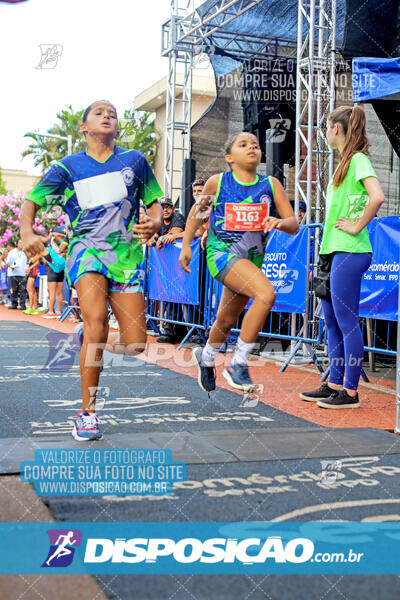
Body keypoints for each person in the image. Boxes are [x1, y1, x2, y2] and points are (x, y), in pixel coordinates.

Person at [21, 100, 162, 441]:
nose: (107, 115)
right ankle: (87, 413)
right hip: (86, 252)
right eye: (98, 112)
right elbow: (32, 202)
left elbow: (155, 202)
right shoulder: (67, 167)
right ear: (84, 127)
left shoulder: (135, 162)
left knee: (136, 345)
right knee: (95, 318)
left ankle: (89, 339)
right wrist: (27, 232)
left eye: (112, 112)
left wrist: (155, 221)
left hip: (126, 257)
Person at [179, 131, 298, 393]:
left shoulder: (271, 185)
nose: (251, 147)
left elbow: (294, 224)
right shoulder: (217, 182)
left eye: (255, 144)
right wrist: (186, 244)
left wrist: (279, 221)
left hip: (251, 259)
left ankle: (207, 357)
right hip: (221, 254)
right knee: (266, 294)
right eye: (243, 145)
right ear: (229, 157)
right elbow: (197, 213)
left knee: (226, 319)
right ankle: (239, 363)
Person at [300, 105, 384, 409]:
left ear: (337, 128)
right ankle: (334, 382)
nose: (324, 131)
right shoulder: (344, 163)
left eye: (326, 126)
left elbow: (378, 196)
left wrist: (358, 224)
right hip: (333, 251)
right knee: (333, 322)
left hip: (351, 250)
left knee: (347, 322)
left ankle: (350, 392)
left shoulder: (358, 160)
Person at [6, 239, 27, 310]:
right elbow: (7, 263)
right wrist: (12, 266)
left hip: (22, 274)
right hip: (13, 274)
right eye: (20, 243)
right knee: (13, 290)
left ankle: (22, 304)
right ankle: (14, 304)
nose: (21, 245)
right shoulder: (12, 253)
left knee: (23, 290)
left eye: (22, 243)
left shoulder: (25, 252)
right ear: (17, 244)